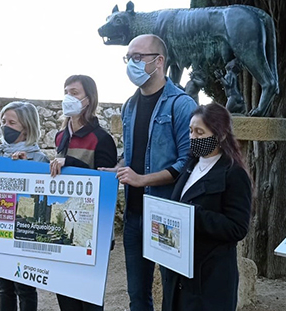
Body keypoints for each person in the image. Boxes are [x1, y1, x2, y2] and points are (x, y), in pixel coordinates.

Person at [100, 34, 197, 311]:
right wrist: (116, 169)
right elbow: (133, 155)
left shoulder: (182, 105)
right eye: (128, 57)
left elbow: (186, 164)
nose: (131, 62)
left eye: (137, 57)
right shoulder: (129, 106)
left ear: (159, 61)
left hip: (167, 216)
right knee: (138, 295)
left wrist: (143, 180)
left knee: (172, 293)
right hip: (133, 216)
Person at [161, 103, 252, 311]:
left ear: (219, 135)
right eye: (191, 131)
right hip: (179, 273)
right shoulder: (190, 165)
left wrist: (194, 216)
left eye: (200, 132)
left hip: (210, 278)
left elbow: (237, 227)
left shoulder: (233, 174)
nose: (193, 137)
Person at [0, 101, 49, 311]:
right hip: (1, 229)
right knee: (4, 285)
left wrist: (26, 168)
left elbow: (42, 196)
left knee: (25, 287)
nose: (6, 126)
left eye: (12, 122)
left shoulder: (39, 158)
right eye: (4, 121)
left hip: (25, 230)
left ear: (27, 126)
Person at [50, 74, 117, 311]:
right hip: (62, 230)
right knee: (66, 300)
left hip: (91, 233)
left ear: (88, 99)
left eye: (74, 92)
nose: (68, 97)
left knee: (88, 302)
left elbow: (106, 184)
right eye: (65, 91)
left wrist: (67, 162)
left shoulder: (102, 139)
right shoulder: (60, 136)